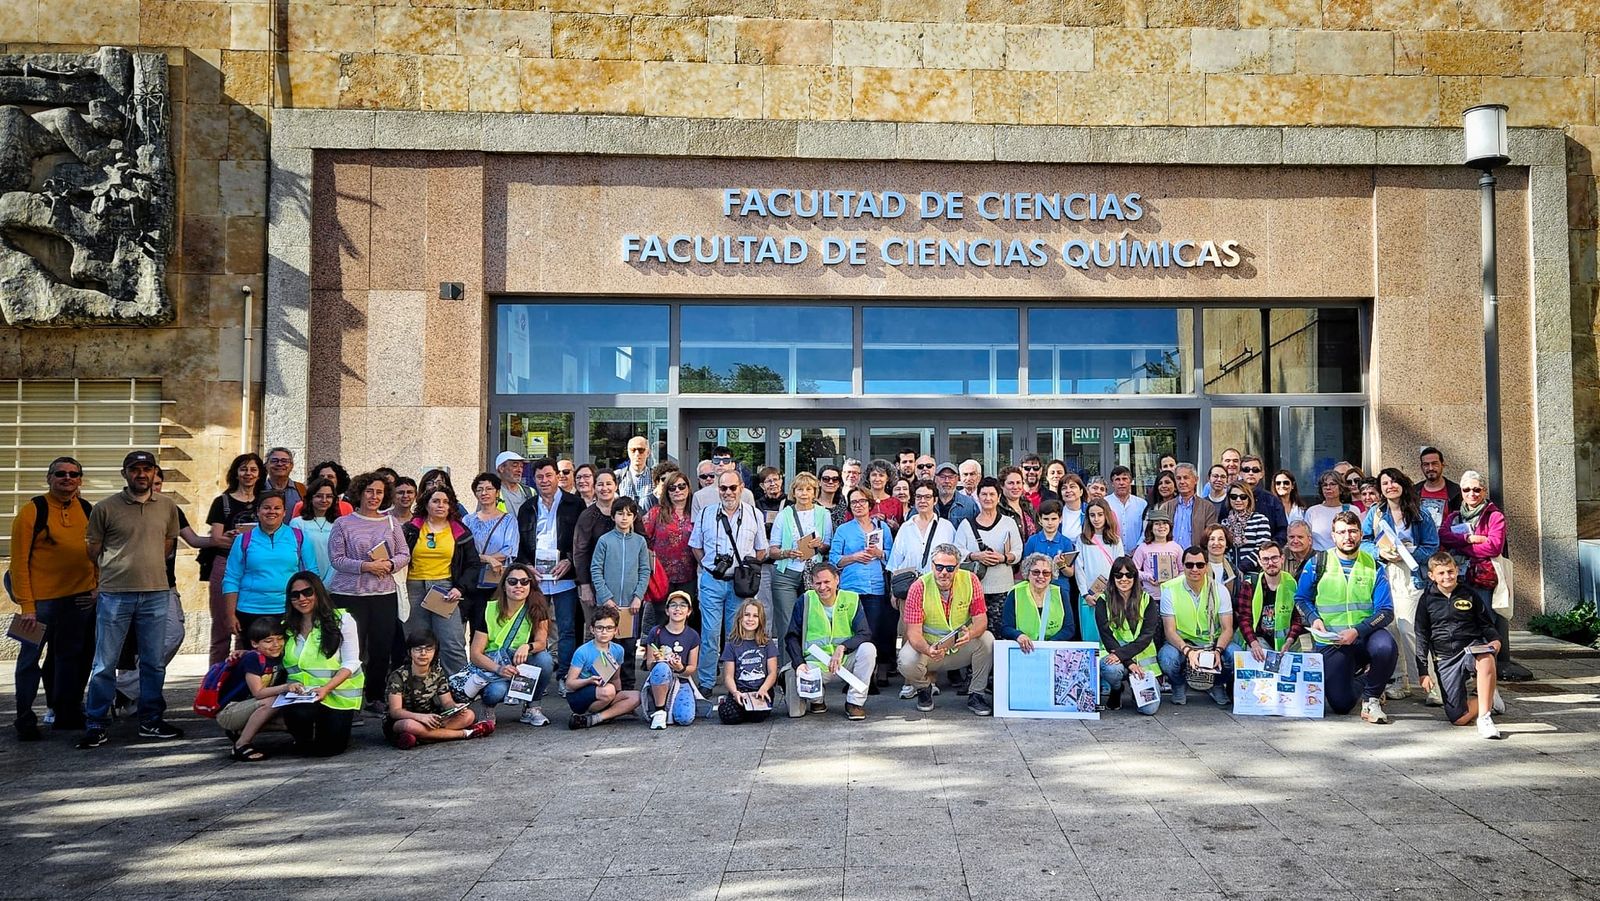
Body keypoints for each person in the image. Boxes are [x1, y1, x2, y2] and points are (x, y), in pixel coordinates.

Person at [79, 451, 183, 749]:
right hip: (115, 594)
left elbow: (167, 544)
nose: (141, 474)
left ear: (154, 473)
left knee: (153, 663)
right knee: (105, 663)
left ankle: (150, 720)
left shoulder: (167, 506)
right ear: (124, 473)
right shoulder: (105, 508)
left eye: (147, 468)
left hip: (156, 593)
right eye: (135, 469)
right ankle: (96, 723)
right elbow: (93, 549)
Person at [8, 456, 96, 740]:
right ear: (49, 478)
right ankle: (24, 718)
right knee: (28, 661)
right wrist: (27, 606)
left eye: (73, 474)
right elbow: (18, 563)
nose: (67, 478)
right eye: (60, 474)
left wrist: (96, 587)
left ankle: (66, 714)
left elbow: (97, 552)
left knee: (69, 659)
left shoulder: (87, 509)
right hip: (38, 605)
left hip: (78, 601)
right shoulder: (32, 510)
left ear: (80, 480)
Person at [1295, 511, 1396, 723]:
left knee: (1386, 647)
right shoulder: (1317, 562)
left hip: (1364, 636)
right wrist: (1314, 619)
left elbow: (1386, 612)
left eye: (1352, 531)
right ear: (1333, 536)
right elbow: (1301, 599)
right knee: (1341, 704)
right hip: (1332, 640)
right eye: (1341, 532)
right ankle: (1367, 677)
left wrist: (1358, 631)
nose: (1347, 537)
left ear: (1361, 534)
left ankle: (1371, 699)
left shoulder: (1374, 566)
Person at [325, 471, 409, 713]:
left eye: (379, 492)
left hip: (383, 595)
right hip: (349, 596)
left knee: (381, 648)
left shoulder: (391, 522)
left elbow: (404, 554)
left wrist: (389, 565)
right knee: (351, 649)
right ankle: (346, 698)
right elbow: (337, 559)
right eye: (369, 491)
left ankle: (374, 697)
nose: (374, 496)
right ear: (359, 493)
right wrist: (366, 566)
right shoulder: (343, 523)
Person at [1361, 468, 1439, 700]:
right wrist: (1380, 552)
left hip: (1411, 576)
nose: (1390, 486)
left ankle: (1431, 684)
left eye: (1394, 481)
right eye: (1385, 483)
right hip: (1384, 575)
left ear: (1403, 484)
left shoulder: (1420, 513)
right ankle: (1400, 681)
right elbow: (1364, 542)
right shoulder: (1376, 513)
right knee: (1391, 628)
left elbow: (1432, 546)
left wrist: (1408, 552)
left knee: (1409, 629)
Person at [690, 469, 769, 691]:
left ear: (741, 488)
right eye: (723, 488)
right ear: (718, 489)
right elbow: (695, 546)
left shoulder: (754, 514)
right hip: (712, 580)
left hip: (740, 583)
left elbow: (761, 549)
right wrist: (709, 566)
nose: (728, 492)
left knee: (738, 633)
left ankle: (736, 680)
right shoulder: (705, 513)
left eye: (733, 487)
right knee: (710, 634)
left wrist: (747, 569)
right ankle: (706, 681)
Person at [1440, 469, 1521, 683]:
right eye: (1466, 490)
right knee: (1459, 626)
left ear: (1484, 491)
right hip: (1457, 579)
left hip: (1482, 580)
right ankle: (1467, 674)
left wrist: (1462, 546)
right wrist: (1470, 539)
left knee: (1483, 628)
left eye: (1476, 489)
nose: (1472, 494)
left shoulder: (1495, 516)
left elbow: (1494, 547)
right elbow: (1444, 536)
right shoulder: (1454, 516)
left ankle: (1485, 679)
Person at [1415, 552, 1504, 739]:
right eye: (1441, 573)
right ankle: (1488, 698)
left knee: (1486, 658)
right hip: (1445, 657)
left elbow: (1485, 623)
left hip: (1470, 647)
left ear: (1457, 570)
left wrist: (1495, 639)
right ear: (1431, 576)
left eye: (1450, 571)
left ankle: (1485, 718)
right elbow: (1422, 635)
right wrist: (1423, 671)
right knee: (1459, 718)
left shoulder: (1469, 594)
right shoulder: (1426, 600)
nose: (1447, 576)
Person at [898, 546, 995, 715]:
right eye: (939, 567)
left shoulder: (971, 580)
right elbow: (913, 633)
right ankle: (923, 688)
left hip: (960, 645)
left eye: (950, 568)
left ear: (958, 567)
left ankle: (976, 694)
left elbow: (981, 621)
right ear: (932, 565)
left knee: (988, 640)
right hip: (929, 648)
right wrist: (927, 649)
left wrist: (970, 634)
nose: (944, 572)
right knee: (905, 659)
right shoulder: (918, 587)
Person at [401, 484, 482, 678]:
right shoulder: (411, 528)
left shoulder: (459, 530)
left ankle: (461, 687)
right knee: (418, 643)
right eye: (436, 501)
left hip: (444, 589)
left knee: (452, 642)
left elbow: (473, 564)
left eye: (446, 502)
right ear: (426, 504)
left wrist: (460, 588)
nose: (441, 505)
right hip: (413, 589)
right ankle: (420, 687)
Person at [460, 563, 554, 727]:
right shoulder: (489, 610)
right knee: (496, 692)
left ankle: (532, 707)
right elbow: (475, 654)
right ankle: (488, 708)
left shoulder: (538, 609)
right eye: (512, 581)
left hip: (521, 663)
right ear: (504, 586)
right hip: (494, 665)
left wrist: (527, 646)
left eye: (524, 581)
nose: (519, 586)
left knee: (545, 659)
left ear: (530, 585)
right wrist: (499, 669)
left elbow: (541, 642)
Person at [280, 572, 363, 755]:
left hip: (336, 694)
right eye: (295, 595)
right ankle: (297, 733)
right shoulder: (286, 626)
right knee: (300, 723)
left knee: (330, 749)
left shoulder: (342, 620)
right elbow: (267, 650)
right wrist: (243, 654)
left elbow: (351, 662)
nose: (302, 598)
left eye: (307, 592)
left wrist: (326, 688)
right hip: (300, 696)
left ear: (318, 592)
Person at [515, 457, 584, 678]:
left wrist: (570, 560)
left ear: (557, 476)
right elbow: (520, 544)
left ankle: (564, 676)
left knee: (567, 629)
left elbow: (581, 541)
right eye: (539, 477)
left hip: (564, 577)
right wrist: (527, 567)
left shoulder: (575, 504)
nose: (544, 481)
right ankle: (534, 678)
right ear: (534, 480)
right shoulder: (527, 508)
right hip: (535, 579)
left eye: (548, 475)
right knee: (533, 628)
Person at [783, 564, 875, 720]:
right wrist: (799, 663)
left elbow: (864, 633)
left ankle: (854, 703)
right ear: (812, 583)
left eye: (827, 582)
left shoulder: (851, 599)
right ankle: (817, 701)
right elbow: (791, 636)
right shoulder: (805, 600)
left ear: (837, 580)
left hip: (844, 660)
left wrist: (843, 647)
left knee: (868, 649)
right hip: (816, 662)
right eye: (818, 583)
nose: (822, 587)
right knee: (804, 680)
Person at [221, 490, 305, 649]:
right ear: (258, 511)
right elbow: (231, 578)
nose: (272, 511)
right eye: (266, 508)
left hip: (288, 610)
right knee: (254, 660)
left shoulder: (299, 537)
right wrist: (230, 614)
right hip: (250, 610)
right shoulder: (243, 540)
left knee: (287, 658)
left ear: (284, 512)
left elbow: (310, 573)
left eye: (277, 508)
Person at [829, 487, 894, 691]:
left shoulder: (883, 528)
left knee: (872, 633)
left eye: (862, 501)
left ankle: (868, 678)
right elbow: (833, 559)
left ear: (869, 503)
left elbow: (893, 556)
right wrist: (853, 557)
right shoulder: (843, 530)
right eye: (854, 502)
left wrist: (879, 553)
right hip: (850, 588)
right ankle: (849, 678)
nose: (858, 505)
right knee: (851, 633)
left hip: (875, 587)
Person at [203, 452, 263, 664]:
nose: (248, 474)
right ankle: (215, 678)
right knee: (221, 626)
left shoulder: (264, 502)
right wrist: (233, 538)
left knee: (247, 629)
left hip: (255, 566)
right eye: (244, 469)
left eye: (253, 469)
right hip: (226, 563)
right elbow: (216, 538)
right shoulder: (222, 502)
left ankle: (242, 677)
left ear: (259, 474)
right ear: (236, 473)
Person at [769, 471, 834, 669]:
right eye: (800, 489)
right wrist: (787, 553)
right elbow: (772, 550)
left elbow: (827, 546)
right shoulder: (784, 515)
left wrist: (819, 545)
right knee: (787, 623)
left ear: (815, 492)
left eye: (808, 489)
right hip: (786, 574)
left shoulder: (824, 514)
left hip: (813, 574)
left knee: (813, 622)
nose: (804, 493)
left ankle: (813, 667)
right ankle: (787, 669)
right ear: (793, 492)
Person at [385, 630, 491, 749]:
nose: (423, 653)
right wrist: (420, 718)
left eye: (428, 649)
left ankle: (422, 737)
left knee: (468, 715)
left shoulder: (437, 672)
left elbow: (447, 702)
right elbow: (395, 712)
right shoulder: (398, 676)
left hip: (431, 718)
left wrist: (455, 708)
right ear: (410, 652)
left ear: (435, 652)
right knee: (409, 725)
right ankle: (465, 733)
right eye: (418, 649)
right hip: (405, 720)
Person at [1159, 545, 1234, 707]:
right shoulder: (1169, 590)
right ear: (1183, 566)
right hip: (1182, 642)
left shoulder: (1220, 590)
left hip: (1213, 642)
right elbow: (1169, 631)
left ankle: (1217, 684)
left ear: (1206, 567)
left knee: (1236, 655)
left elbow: (1227, 629)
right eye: (1189, 565)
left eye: (1200, 565)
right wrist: (1188, 651)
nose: (1194, 569)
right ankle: (1178, 684)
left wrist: (1217, 651)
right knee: (1167, 659)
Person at [590, 496, 650, 687]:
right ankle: (606, 687)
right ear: (613, 516)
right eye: (620, 513)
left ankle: (628, 687)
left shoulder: (640, 542)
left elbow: (645, 570)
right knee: (606, 647)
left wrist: (638, 597)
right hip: (609, 605)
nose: (624, 518)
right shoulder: (605, 541)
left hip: (630, 607)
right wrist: (606, 597)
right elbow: (596, 569)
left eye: (629, 514)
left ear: (634, 517)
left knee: (629, 648)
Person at [217, 616, 294, 762]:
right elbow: (258, 693)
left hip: (251, 707)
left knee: (292, 719)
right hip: (230, 712)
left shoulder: (279, 656)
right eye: (268, 641)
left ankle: (240, 731)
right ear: (254, 643)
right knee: (273, 701)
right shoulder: (253, 659)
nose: (276, 644)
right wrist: (286, 687)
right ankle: (241, 745)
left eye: (279, 639)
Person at [954, 478, 1021, 635]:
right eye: (984, 494)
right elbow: (957, 552)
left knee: (1001, 631)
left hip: (1003, 588)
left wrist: (1003, 558)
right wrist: (975, 556)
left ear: (999, 497)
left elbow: (1018, 551)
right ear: (978, 497)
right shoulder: (966, 525)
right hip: (974, 590)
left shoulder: (1008, 523)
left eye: (992, 494)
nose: (988, 498)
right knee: (975, 633)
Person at [1095, 556, 1162, 714]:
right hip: (1117, 657)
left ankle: (1134, 689)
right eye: (1118, 575)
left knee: (1149, 710)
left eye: (1129, 575)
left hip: (1143, 664)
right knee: (1111, 670)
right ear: (1113, 577)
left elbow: (1146, 637)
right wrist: (1130, 663)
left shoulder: (1147, 600)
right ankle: (1116, 689)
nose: (1123, 579)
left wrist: (1128, 660)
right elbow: (1107, 637)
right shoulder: (1103, 601)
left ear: (1135, 577)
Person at [566, 606, 641, 729]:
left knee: (636, 696)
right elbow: (569, 684)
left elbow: (616, 678)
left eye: (609, 628)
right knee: (609, 690)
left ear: (615, 630)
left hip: (605, 692)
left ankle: (595, 718)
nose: (604, 632)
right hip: (580, 694)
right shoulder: (582, 651)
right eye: (600, 628)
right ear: (592, 629)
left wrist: (620, 698)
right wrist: (589, 680)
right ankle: (601, 713)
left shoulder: (618, 650)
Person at [463, 471, 519, 631]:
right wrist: (488, 559)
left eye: (489, 489)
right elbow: (464, 551)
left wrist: (484, 558)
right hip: (472, 578)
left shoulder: (508, 520)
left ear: (497, 492)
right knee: (475, 623)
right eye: (479, 489)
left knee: (495, 623)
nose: (484, 493)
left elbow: (510, 550)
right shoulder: (467, 520)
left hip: (496, 578)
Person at [643, 469, 696, 635]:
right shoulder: (656, 512)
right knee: (662, 619)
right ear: (667, 491)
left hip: (689, 575)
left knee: (685, 618)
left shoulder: (696, 512)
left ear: (688, 488)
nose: (677, 490)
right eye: (672, 488)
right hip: (661, 576)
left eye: (681, 486)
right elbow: (642, 539)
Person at [1233, 541, 1305, 659]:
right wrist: (1253, 643)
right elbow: (1244, 618)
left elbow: (1297, 618)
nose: (1270, 563)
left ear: (1282, 559)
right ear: (1259, 562)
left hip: (1287, 641)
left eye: (1274, 558)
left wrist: (1290, 641)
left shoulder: (1292, 583)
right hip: (1258, 639)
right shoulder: (1250, 584)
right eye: (1265, 559)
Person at [642, 591, 700, 729]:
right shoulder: (656, 632)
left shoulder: (693, 635)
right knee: (662, 667)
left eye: (682, 605)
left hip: (681, 679)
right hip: (660, 677)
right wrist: (658, 661)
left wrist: (680, 667)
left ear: (689, 611)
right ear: (667, 611)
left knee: (684, 718)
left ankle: (673, 704)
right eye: (673, 605)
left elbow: (692, 668)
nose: (677, 609)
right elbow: (649, 665)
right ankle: (659, 710)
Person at [572, 469, 619, 634]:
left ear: (616, 486)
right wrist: (584, 586)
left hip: (621, 582)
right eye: (600, 484)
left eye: (608, 484)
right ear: (594, 487)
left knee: (623, 631)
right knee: (596, 629)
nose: (604, 488)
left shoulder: (626, 511)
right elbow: (580, 553)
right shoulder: (587, 516)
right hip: (593, 582)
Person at [719, 600, 779, 724]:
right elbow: (728, 676)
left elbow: (773, 673)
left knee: (757, 717)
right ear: (740, 618)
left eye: (755, 616)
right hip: (740, 690)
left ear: (760, 620)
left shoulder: (767, 642)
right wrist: (735, 692)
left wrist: (764, 689)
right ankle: (725, 702)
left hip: (761, 689)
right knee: (729, 717)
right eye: (747, 615)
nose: (750, 619)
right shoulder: (731, 644)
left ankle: (746, 710)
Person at [1073, 498, 1123, 645]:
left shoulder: (1115, 540)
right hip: (1089, 596)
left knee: (1111, 637)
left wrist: (1114, 592)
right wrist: (1085, 594)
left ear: (1106, 515)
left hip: (1111, 595)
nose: (1096, 519)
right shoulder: (1082, 540)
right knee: (1091, 637)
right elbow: (1079, 569)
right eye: (1092, 515)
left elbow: (1119, 569)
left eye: (1100, 514)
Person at [1002, 553, 1074, 651]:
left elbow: (1069, 628)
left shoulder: (1061, 593)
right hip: (1023, 649)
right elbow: (1006, 628)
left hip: (1053, 649)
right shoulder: (1015, 593)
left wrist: (1050, 645)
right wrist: (1018, 635)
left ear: (1051, 576)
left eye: (1046, 573)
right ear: (1027, 573)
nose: (1041, 576)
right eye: (1036, 572)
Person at [1219, 480, 1273, 576]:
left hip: (1253, 574)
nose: (1238, 500)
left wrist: (1241, 568)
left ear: (1249, 499)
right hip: (1229, 574)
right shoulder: (1224, 523)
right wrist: (1230, 569)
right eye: (1234, 496)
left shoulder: (1260, 520)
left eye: (1243, 497)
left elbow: (1263, 548)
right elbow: (1223, 550)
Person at [292, 477, 340, 582]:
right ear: (310, 498)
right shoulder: (298, 523)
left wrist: (328, 583)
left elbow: (339, 557)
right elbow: (296, 556)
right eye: (319, 496)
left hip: (334, 581)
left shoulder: (339, 524)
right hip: (307, 581)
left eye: (329, 496)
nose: (324, 500)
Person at [1158, 463, 1216, 549]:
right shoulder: (1166, 507)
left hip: (1197, 555)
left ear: (1196, 480)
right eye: (1178, 478)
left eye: (1186, 478)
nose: (1182, 482)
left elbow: (1210, 536)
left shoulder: (1207, 507)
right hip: (1170, 554)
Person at [1131, 509, 1181, 601]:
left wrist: (1174, 579)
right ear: (1151, 528)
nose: (1161, 526)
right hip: (1150, 597)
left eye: (1165, 523)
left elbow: (1183, 571)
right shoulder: (1143, 547)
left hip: (1173, 596)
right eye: (1157, 524)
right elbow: (1133, 570)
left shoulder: (1176, 547)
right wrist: (1147, 577)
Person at [1238, 455, 1288, 544]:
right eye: (1246, 469)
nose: (1251, 473)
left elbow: (1282, 530)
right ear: (1240, 473)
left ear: (1261, 474)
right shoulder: (1231, 498)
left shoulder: (1272, 501)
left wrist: (1270, 546)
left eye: (1255, 470)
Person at [1304, 469, 1356, 552]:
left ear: (1341, 488)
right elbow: (1306, 538)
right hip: (1320, 556)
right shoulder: (1312, 511)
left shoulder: (1352, 510)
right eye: (1325, 485)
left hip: (1345, 555)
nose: (1328, 487)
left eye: (1332, 484)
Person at [692, 447, 753, 516]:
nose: (721, 464)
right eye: (716, 460)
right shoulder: (699, 496)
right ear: (712, 465)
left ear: (733, 465)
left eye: (726, 461)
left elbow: (752, 520)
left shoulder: (746, 494)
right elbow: (696, 522)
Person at [1417, 446, 1462, 528]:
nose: (1430, 468)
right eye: (1426, 464)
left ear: (1442, 465)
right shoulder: (1414, 491)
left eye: (1434, 463)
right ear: (1421, 467)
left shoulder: (1455, 491)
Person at [1105, 465, 1147, 553]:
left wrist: (1138, 548)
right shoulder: (1105, 503)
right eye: (1117, 479)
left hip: (1137, 553)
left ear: (1130, 481)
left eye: (1124, 479)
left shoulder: (1142, 504)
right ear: (1112, 483)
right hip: (1112, 553)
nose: (1121, 483)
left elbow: (1146, 529)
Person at [933, 462, 979, 532]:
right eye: (942, 477)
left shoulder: (969, 505)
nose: (947, 481)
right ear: (935, 479)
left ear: (957, 479)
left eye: (951, 477)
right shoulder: (927, 502)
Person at [263, 447, 307, 515]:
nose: (280, 464)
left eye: (284, 461)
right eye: (274, 461)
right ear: (266, 465)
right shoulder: (258, 489)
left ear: (291, 466)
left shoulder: (302, 490)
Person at [997, 466, 1038, 540]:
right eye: (1011, 483)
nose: (1015, 487)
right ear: (1002, 485)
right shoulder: (997, 509)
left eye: (1018, 482)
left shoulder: (1028, 506)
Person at [1201, 523, 1239, 600]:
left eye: (1221, 539)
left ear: (1226, 544)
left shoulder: (1234, 571)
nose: (1216, 543)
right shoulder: (1198, 567)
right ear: (1206, 543)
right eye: (1212, 539)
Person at [615, 436, 655, 510]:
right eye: (633, 450)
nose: (637, 454)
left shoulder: (655, 477)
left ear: (648, 452)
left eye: (641, 450)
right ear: (628, 452)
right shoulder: (617, 476)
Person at [865, 460, 903, 529]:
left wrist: (896, 527)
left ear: (887, 478)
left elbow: (902, 529)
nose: (877, 479)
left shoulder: (896, 503)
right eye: (874, 475)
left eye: (881, 475)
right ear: (868, 477)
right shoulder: (861, 500)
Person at [495, 450, 530, 517]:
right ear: (501, 468)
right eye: (515, 466)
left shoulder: (530, 492)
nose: (519, 470)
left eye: (521, 466)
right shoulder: (492, 493)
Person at [1056, 471, 1087, 536]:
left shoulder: (1089, 511)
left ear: (1081, 492)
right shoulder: (1056, 512)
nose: (1068, 490)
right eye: (1064, 488)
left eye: (1072, 487)